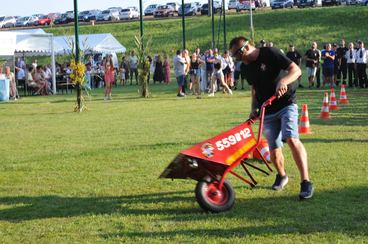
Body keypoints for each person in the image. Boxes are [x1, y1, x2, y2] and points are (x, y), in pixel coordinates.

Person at [229, 36, 314, 200]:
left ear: (245, 48)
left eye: (237, 56)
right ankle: (282, 176)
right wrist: (254, 108)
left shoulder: (270, 53)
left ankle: (306, 181)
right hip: (266, 110)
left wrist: (283, 81)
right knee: (274, 149)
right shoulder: (246, 68)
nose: (237, 60)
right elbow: (254, 88)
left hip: (286, 103)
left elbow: (296, 70)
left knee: (291, 138)